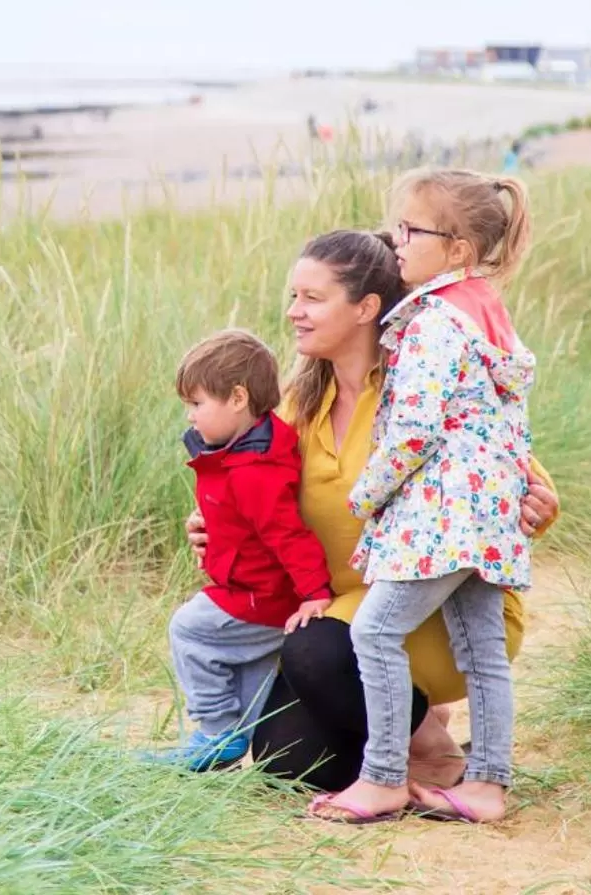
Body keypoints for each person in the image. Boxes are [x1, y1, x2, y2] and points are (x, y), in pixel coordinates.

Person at [183, 232, 559, 795]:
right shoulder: (296, 408)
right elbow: (251, 493)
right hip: (338, 616)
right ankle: (413, 724)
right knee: (286, 762)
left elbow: (512, 474)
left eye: (312, 298)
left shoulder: (420, 388)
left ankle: (431, 750)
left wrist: (539, 504)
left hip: (428, 615)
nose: (293, 312)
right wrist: (215, 528)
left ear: (366, 308)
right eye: (293, 296)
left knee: (313, 650)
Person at [310, 171, 535, 826]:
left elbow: (413, 430)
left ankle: (382, 776)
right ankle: (488, 782)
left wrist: (365, 494)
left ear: (458, 247)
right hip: (484, 515)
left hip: (440, 515)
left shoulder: (434, 324)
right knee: (482, 648)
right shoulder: (485, 311)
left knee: (375, 631)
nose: (396, 240)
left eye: (411, 230)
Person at [151, 330, 333, 770]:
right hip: (260, 589)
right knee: (248, 666)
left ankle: (215, 730)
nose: (190, 416)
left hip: (260, 595)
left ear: (236, 398)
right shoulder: (245, 448)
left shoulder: (255, 470)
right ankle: (231, 743)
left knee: (190, 629)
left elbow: (288, 534)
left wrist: (315, 592)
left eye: (197, 404)